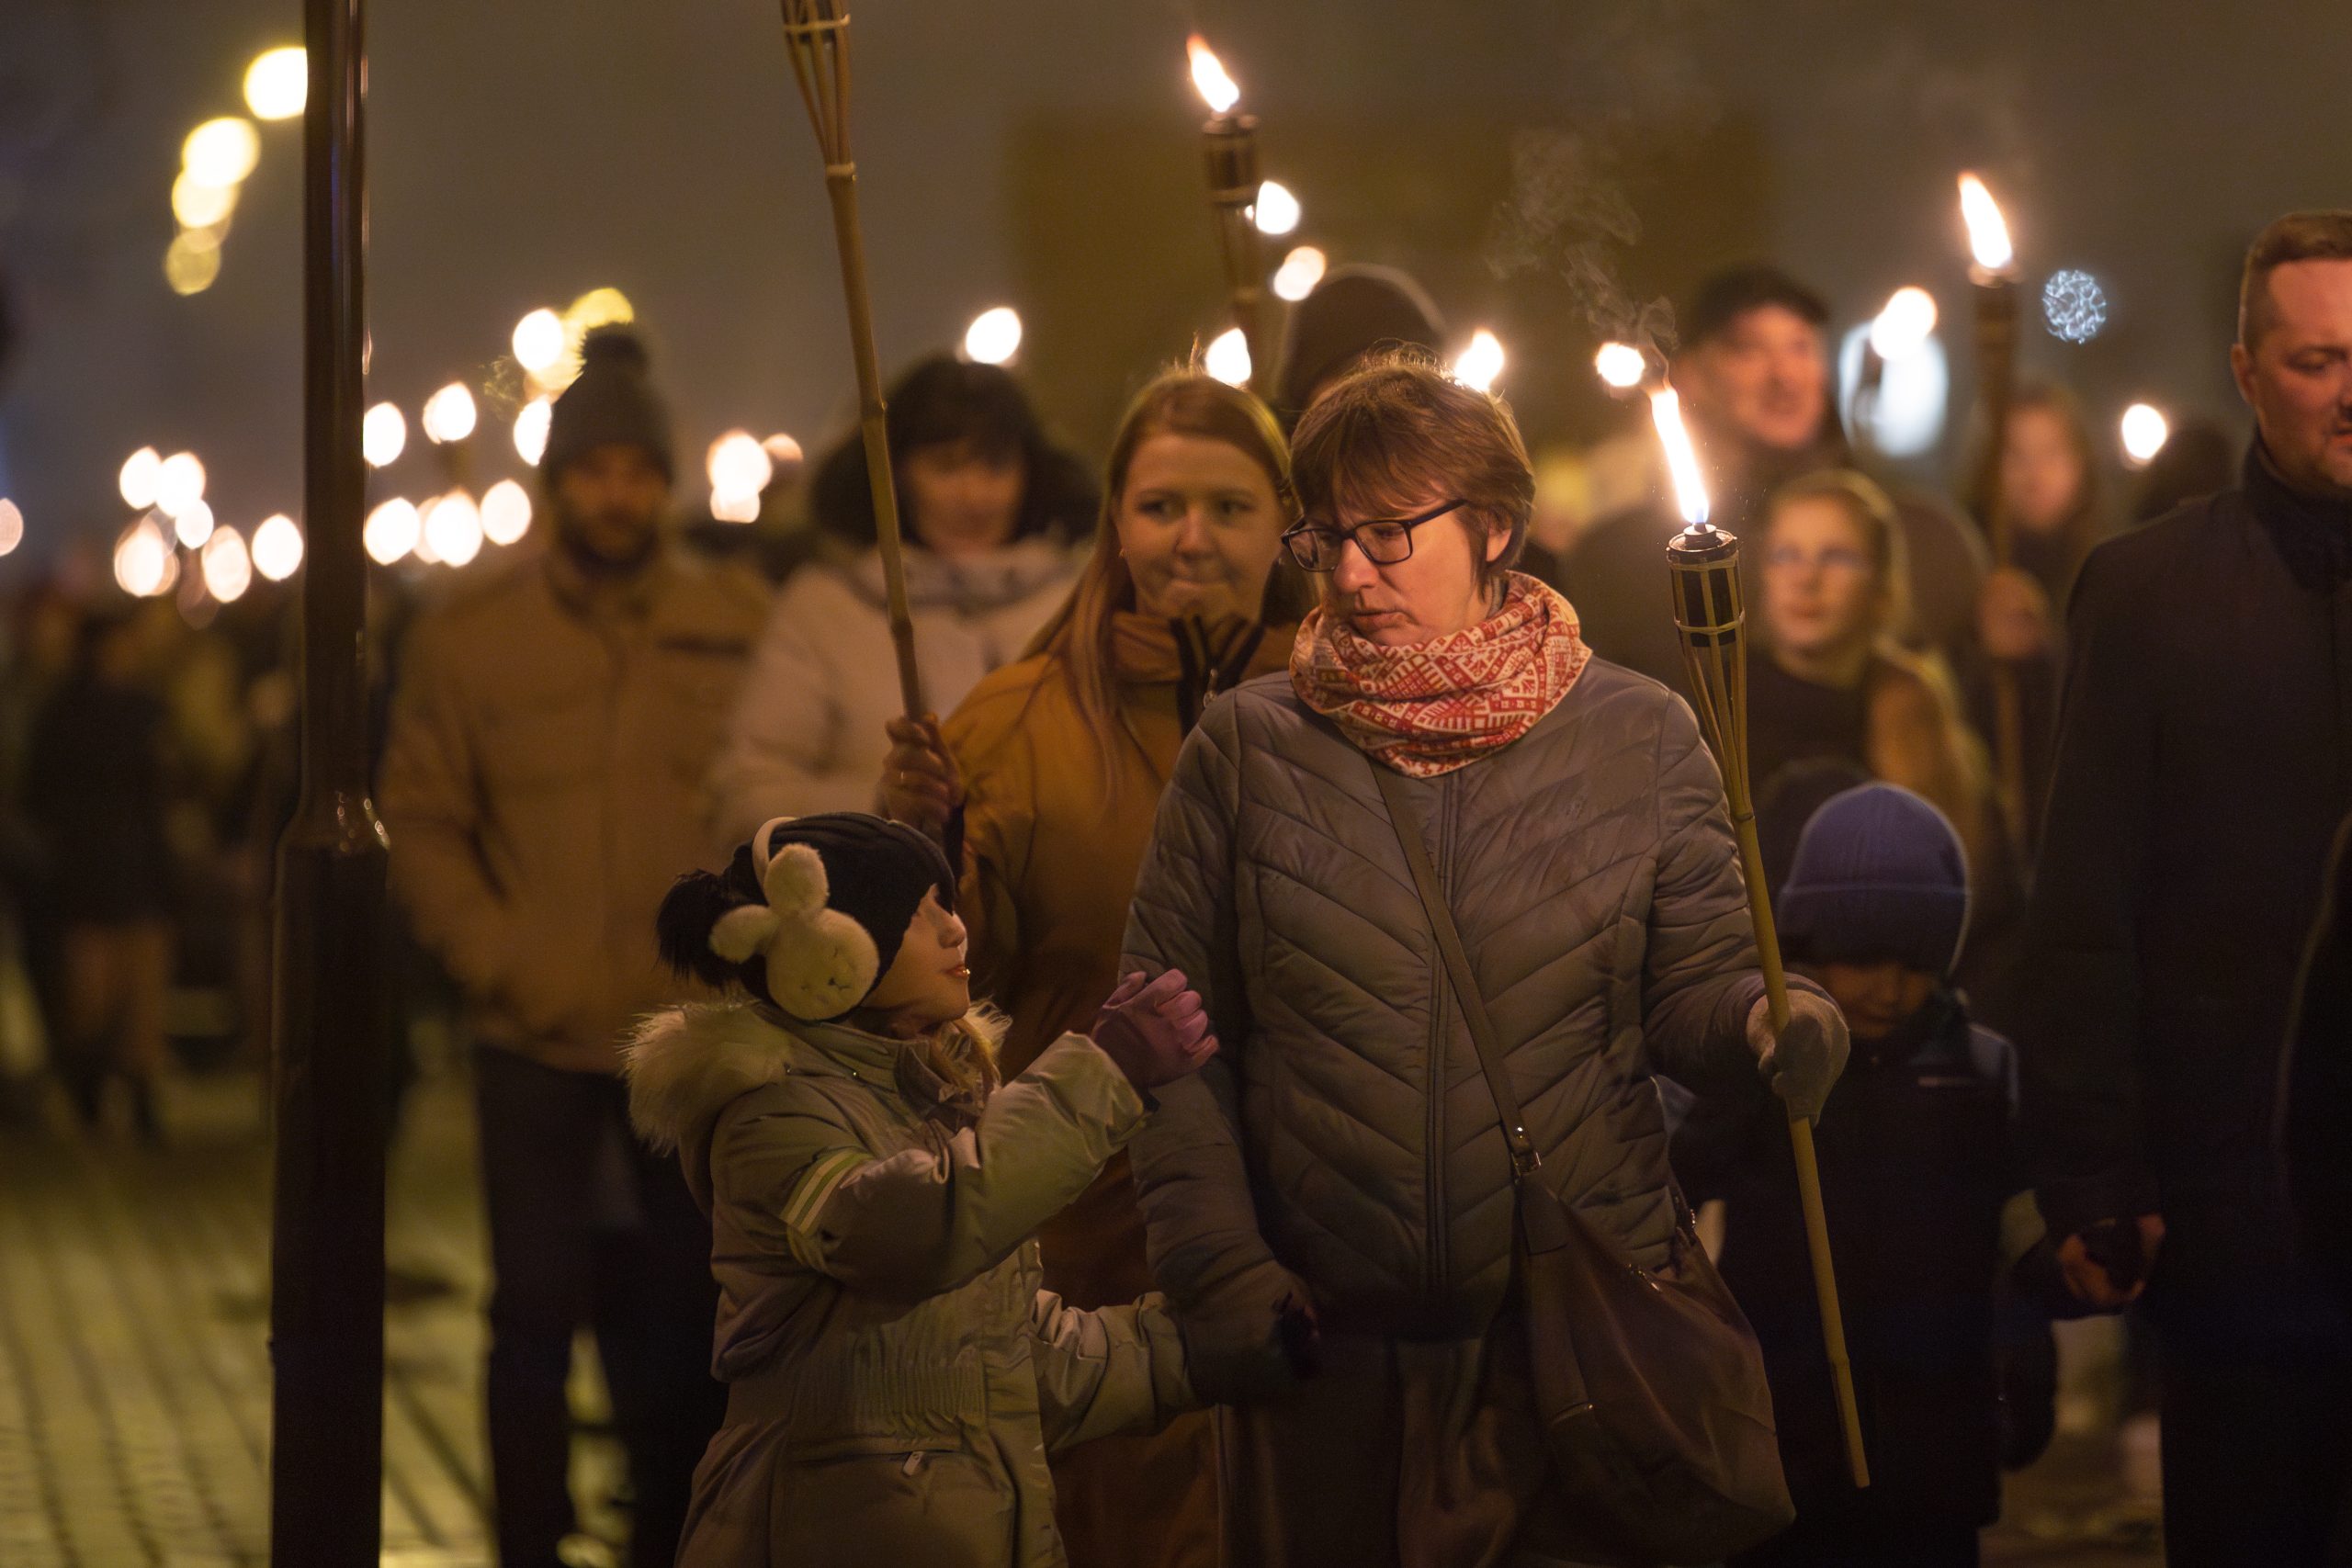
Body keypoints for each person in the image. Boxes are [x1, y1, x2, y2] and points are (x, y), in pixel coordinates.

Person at [1119, 354, 1850, 1565]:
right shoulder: (1247, 749)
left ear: (1495, 526)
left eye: (1389, 534)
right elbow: (1169, 1045)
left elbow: (1697, 985)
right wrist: (1222, 1273)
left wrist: (1777, 1020)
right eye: (1326, 537)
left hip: (1565, 1343)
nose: (1350, 573)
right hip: (1328, 1364)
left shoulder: (1640, 735)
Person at [876, 369, 1297, 1568]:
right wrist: (921, 849)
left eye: (1230, 506)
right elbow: (945, 1002)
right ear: (1117, 520)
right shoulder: (1014, 725)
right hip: (1101, 1247)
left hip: (1309, 1224)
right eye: (1161, 506)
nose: (1193, 538)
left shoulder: (1344, 700)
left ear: (1285, 522)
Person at [379, 325, 763, 1568]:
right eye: (594, 471)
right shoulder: (472, 634)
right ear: (556, 484)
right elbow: (422, 817)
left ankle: (666, 1534)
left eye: (638, 472)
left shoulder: (735, 622)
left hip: (688, 1042)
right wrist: (500, 957)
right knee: (533, 1316)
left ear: (667, 483)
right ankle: (528, 1541)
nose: (617, 495)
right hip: (533, 1037)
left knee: (684, 1316)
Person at [2019, 209, 2352, 1565]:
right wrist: (2094, 1167)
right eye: (2319, 359)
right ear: (2248, 372)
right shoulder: (2148, 592)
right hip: (2237, 1205)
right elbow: (2084, 900)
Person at [623, 813, 1215, 1567]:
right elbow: (920, 1227)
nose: (954, 928)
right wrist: (1104, 1075)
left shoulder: (931, 1103)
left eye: (948, 901)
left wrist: (1205, 1345)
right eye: (917, 910)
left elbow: (1008, 1360)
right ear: (830, 954)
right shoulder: (770, 1118)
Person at [1674, 784, 2064, 1568]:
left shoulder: (1977, 1072)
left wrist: (2025, 1368)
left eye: (1915, 963)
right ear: (1807, 944)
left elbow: (2019, 1234)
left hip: (1937, 1446)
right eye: (1861, 958)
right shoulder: (1766, 1069)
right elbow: (1676, 1185)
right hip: (1785, 1435)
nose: (1889, 988)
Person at [711, 356, 1094, 839]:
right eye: (946, 466)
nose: (973, 495)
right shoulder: (825, 609)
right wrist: (881, 811)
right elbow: (744, 796)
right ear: (896, 476)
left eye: (995, 466)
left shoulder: (1077, 605)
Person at [1559, 265, 1986, 688]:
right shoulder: (1618, 564)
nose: (1784, 376)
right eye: (1749, 350)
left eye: (1801, 347)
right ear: (1689, 375)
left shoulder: (1924, 543)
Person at [1748, 469, 1999, 903]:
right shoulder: (1722, 710)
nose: (1806, 579)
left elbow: (1988, 903)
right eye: (1786, 555)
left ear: (1882, 585)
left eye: (1837, 557)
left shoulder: (1914, 709)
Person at [21, 604, 175, 1139]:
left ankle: (139, 1093)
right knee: (92, 995)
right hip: (89, 876)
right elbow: (42, 795)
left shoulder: (143, 710)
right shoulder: (66, 716)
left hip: (138, 872)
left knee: (141, 995)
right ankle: (90, 1087)